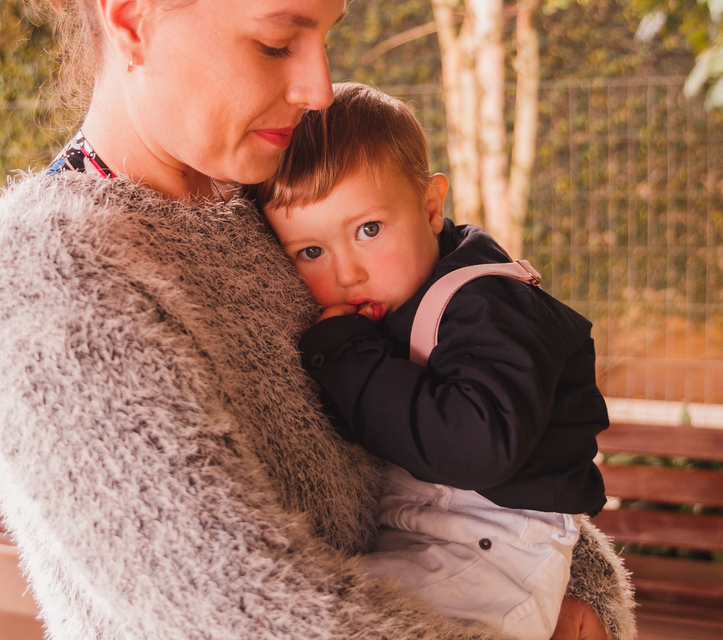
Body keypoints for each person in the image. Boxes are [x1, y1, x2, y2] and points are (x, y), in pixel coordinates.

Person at [0, 0, 634, 638]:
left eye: (324, 37)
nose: (315, 89)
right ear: (130, 18)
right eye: (277, 42)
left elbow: (481, 434)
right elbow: (242, 615)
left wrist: (580, 591)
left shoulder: (280, 197)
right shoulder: (47, 276)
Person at [258, 84, 610, 640]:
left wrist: (347, 358)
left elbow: (478, 447)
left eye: (368, 230)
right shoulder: (404, 299)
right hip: (435, 540)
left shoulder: (491, 305)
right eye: (311, 251)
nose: (347, 273)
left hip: (496, 553)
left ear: (430, 207)